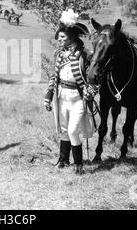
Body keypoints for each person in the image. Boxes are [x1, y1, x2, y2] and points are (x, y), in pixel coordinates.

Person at [43, 9, 95, 175]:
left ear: (72, 37)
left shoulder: (85, 55)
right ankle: (63, 160)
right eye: (59, 36)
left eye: (63, 36)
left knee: (73, 130)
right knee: (64, 130)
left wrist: (91, 91)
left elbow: (94, 78)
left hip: (77, 98)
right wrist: (48, 96)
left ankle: (79, 165)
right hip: (61, 97)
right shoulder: (58, 54)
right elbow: (54, 77)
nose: (59, 38)